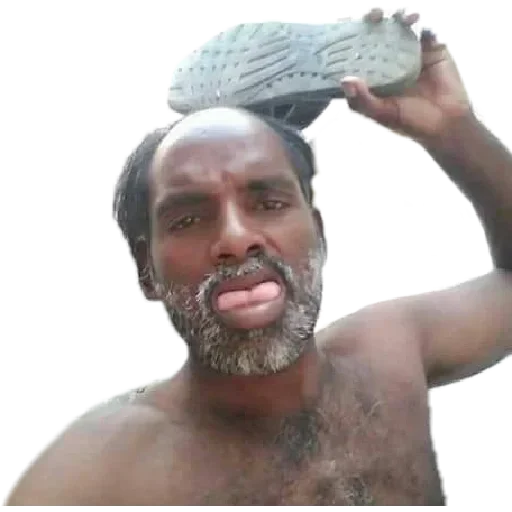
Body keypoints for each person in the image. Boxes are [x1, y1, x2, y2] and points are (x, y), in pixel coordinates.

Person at [3, 8, 511, 508]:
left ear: (319, 233)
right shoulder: (93, 476)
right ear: (147, 269)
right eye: (188, 218)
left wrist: (454, 130)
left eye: (268, 203)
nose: (236, 238)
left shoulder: (391, 353)